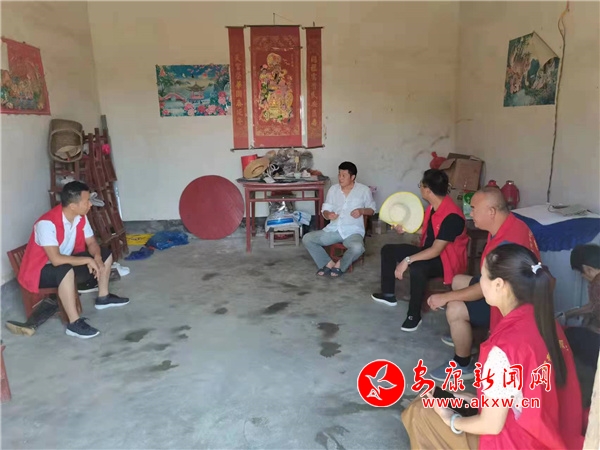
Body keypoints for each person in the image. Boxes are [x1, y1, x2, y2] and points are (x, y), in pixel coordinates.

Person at [401, 244, 584, 450]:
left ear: (498, 284)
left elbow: (491, 425)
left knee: (419, 413)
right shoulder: (547, 322)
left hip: (517, 442)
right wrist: (479, 400)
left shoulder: (503, 349)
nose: (480, 283)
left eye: (482, 277)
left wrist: (451, 419)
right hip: (550, 434)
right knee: (431, 400)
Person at [426, 187, 540, 380]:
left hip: (509, 306)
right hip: (507, 287)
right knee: (458, 280)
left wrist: (444, 298)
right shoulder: (507, 224)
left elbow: (483, 290)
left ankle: (462, 364)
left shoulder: (505, 245)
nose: (470, 214)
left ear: (491, 212)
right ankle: (464, 334)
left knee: (454, 308)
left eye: (474, 209)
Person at [17, 181, 129, 339]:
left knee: (104, 254)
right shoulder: (46, 224)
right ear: (72, 206)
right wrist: (87, 261)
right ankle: (74, 323)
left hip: (65, 263)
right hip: (41, 271)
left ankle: (103, 298)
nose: (90, 204)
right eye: (86, 201)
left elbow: (91, 243)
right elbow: (56, 260)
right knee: (64, 269)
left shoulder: (80, 217)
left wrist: (96, 257)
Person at [371, 169, 468, 332]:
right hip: (429, 250)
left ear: (428, 190)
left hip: (446, 261)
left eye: (421, 186)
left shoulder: (452, 217)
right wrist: (406, 229)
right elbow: (430, 231)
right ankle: (388, 295)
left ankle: (413, 315)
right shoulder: (434, 207)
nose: (420, 188)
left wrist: (407, 260)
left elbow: (436, 250)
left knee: (417, 267)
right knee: (388, 250)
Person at [302, 161, 376, 278]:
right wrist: (328, 214)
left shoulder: (363, 190)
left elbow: (372, 210)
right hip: (333, 230)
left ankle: (340, 265)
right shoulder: (333, 189)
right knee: (307, 239)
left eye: (344, 176)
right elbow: (325, 210)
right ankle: (328, 263)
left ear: (352, 177)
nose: (340, 178)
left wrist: (361, 211)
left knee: (358, 248)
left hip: (353, 231)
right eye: (339, 175)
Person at [558, 244, 600, 409]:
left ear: (588, 269)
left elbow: (594, 310)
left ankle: (584, 389)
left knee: (569, 338)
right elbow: (593, 306)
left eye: (581, 274)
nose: (583, 277)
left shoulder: (597, 283)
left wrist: (588, 326)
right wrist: (569, 314)